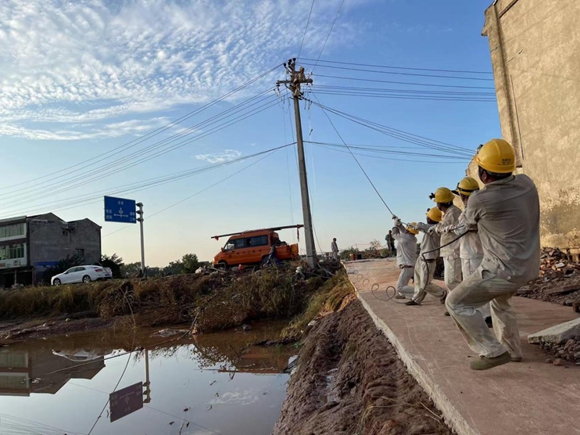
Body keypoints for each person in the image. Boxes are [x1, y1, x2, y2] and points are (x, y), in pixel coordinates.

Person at [446, 139, 540, 370]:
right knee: (501, 304)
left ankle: (493, 351)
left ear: (485, 175)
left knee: (456, 302)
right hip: (527, 266)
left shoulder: (480, 200)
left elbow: (466, 224)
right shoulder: (527, 184)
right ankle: (512, 351)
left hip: (501, 270)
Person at [444, 176, 492, 327]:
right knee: (479, 286)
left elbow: (463, 229)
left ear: (464, 196)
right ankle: (486, 315)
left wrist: (451, 228)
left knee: (473, 288)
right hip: (478, 252)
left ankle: (483, 317)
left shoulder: (470, 210)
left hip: (471, 254)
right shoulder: (480, 206)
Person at [428, 187, 462, 315]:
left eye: (437, 202)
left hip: (453, 251)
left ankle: (457, 306)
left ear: (441, 203)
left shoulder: (453, 213)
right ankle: (454, 306)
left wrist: (433, 227)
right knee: (450, 282)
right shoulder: (449, 213)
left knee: (452, 281)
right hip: (449, 252)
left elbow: (445, 227)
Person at [402, 207, 444, 306]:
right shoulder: (430, 228)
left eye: (428, 216)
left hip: (428, 260)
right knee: (418, 281)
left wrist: (415, 226)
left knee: (425, 284)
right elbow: (422, 227)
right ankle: (416, 299)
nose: (427, 218)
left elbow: (422, 226)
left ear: (430, 218)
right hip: (422, 258)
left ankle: (443, 294)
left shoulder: (435, 229)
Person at [391, 218, 418, 299]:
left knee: (400, 286)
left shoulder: (405, 238)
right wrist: (400, 225)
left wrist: (395, 225)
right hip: (410, 265)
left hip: (407, 266)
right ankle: (402, 295)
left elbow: (394, 234)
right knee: (403, 282)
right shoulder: (412, 238)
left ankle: (418, 292)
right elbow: (405, 232)